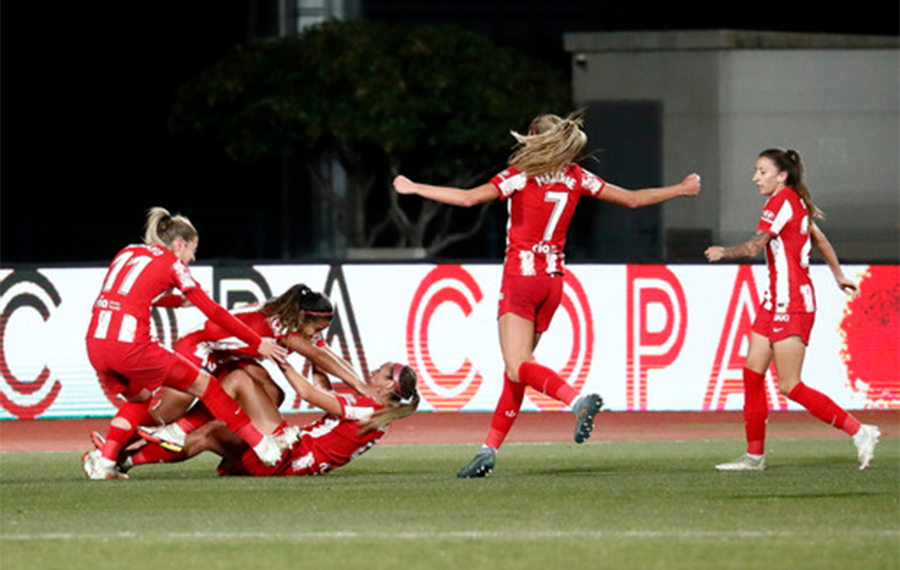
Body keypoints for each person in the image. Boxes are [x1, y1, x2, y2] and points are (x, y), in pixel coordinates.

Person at [393, 112, 702, 477]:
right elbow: (632, 200)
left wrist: (415, 188)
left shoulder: (521, 174)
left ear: (532, 137)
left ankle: (576, 400)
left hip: (521, 279)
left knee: (517, 365)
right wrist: (680, 189)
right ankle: (488, 450)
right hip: (553, 282)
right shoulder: (576, 176)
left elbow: (469, 199)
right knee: (518, 370)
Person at [705, 148, 880, 471]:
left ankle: (860, 431)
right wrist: (838, 275)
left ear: (781, 176)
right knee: (752, 373)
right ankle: (755, 456)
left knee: (789, 385)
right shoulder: (796, 203)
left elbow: (754, 246)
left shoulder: (780, 202)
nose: (755, 178)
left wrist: (723, 252)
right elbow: (821, 240)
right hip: (774, 302)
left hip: (793, 305)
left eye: (761, 171)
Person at [82, 207, 289, 480]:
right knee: (208, 386)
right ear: (179, 244)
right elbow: (214, 312)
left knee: (140, 398)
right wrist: (255, 342)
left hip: (95, 343)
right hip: (130, 346)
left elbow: (130, 294)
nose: (192, 258)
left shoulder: (128, 252)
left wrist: (176, 301)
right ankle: (263, 445)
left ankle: (105, 462)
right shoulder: (173, 264)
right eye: (192, 250)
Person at [136, 283, 375, 451]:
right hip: (198, 348)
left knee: (273, 394)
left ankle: (224, 439)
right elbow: (318, 356)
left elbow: (327, 353)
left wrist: (361, 383)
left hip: (227, 355)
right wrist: (360, 386)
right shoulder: (283, 326)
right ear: (302, 318)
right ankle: (116, 447)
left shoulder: (297, 321)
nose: (317, 335)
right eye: (317, 329)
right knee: (165, 416)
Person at [113, 360, 419, 478]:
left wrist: (282, 359)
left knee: (238, 377)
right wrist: (316, 357)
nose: (374, 370)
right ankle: (126, 461)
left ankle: (176, 429)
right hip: (288, 465)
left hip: (286, 452)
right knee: (210, 433)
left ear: (389, 385)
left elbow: (309, 395)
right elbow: (324, 392)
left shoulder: (368, 409)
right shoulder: (379, 416)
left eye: (381, 370)